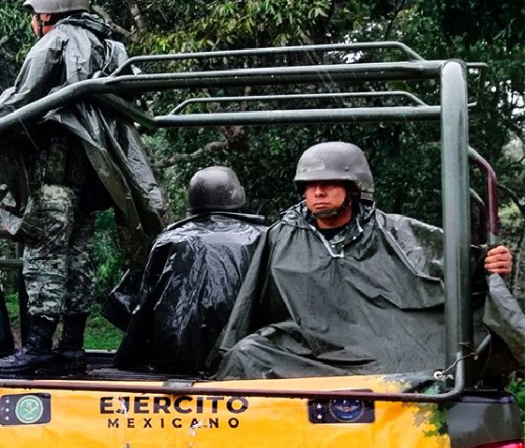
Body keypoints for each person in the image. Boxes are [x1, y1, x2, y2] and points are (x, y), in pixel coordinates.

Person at [0, 0, 168, 375]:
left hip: (55, 178)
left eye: (33, 13)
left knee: (43, 256)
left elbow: (20, 102)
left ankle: (39, 348)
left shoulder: (55, 42)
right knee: (79, 259)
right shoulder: (112, 48)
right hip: (93, 179)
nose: (32, 21)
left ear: (47, 12)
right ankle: (72, 349)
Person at [215, 141, 518, 379]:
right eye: (309, 185)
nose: (317, 192)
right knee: (247, 354)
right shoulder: (280, 236)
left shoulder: (394, 231)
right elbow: (250, 305)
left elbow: (462, 265)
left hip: (384, 351)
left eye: (329, 183)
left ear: (353, 188)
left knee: (430, 362)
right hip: (307, 351)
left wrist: (492, 263)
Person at [112, 166, 266, 375]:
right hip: (245, 356)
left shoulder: (168, 240)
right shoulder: (264, 237)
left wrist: (129, 355)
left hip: (174, 358)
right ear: (238, 194)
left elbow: (141, 304)